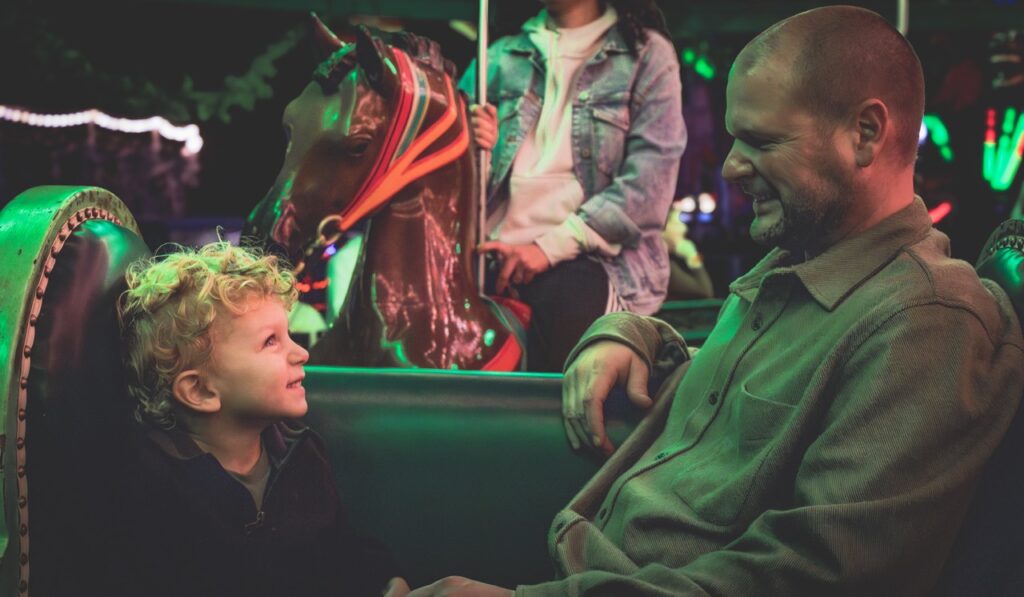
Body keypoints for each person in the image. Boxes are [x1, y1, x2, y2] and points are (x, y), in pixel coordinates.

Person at [407, 6, 1024, 595]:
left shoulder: (927, 322)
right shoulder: (802, 262)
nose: (730, 167)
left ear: (865, 133)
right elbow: (756, 386)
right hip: (587, 554)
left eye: (762, 142)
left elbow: (818, 577)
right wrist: (634, 332)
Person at [114, 242, 408, 597]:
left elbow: (340, 553)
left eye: (288, 336)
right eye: (271, 342)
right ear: (200, 391)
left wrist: (390, 583)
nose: (301, 353)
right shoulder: (154, 483)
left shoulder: (301, 453)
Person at [459, 0, 686, 371]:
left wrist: (546, 248)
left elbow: (648, 186)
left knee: (569, 325)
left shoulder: (646, 54)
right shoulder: (498, 57)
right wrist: (470, 148)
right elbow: (447, 184)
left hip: (593, 262)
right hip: (489, 256)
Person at [663, 205, 714, 299]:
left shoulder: (670, 260)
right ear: (662, 229)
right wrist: (693, 255)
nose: (684, 228)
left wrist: (695, 257)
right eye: (676, 224)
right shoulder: (663, 267)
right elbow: (706, 291)